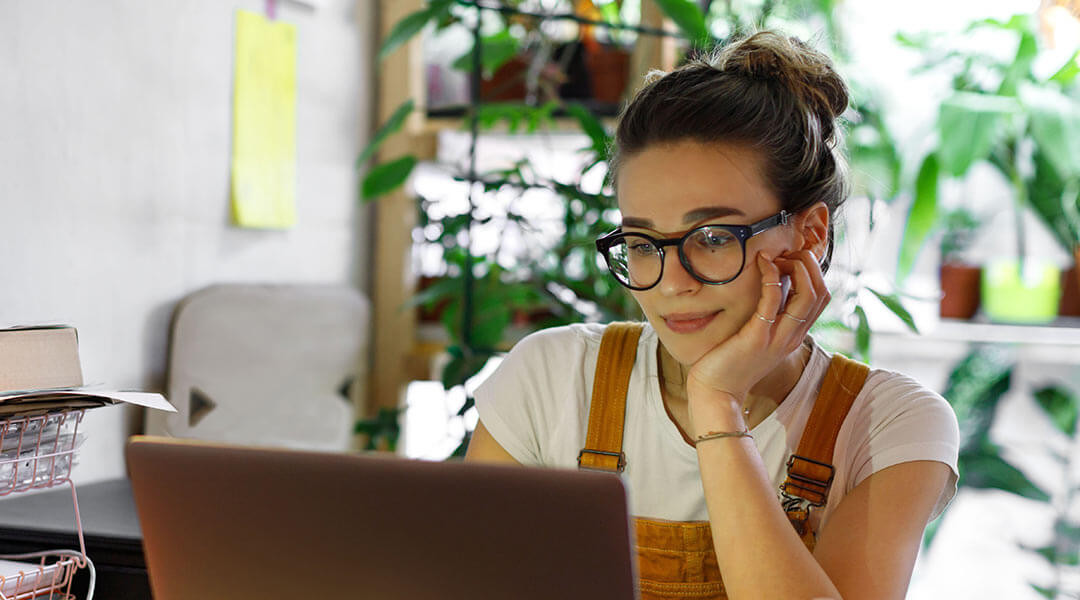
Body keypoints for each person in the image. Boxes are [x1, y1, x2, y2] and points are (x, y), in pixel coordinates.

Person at [465, 30, 959, 600]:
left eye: (714, 237)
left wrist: (717, 403)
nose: (672, 283)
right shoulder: (551, 378)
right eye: (643, 243)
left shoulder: (888, 425)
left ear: (809, 233)